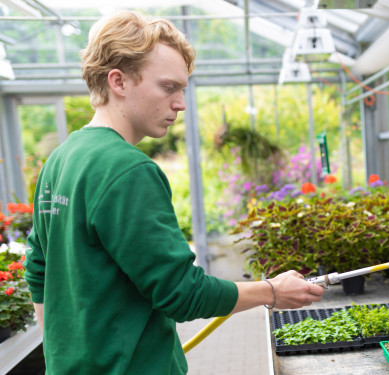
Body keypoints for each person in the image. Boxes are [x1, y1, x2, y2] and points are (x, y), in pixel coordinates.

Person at [23, 11, 324, 374]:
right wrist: (272, 292)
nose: (180, 103)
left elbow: (38, 268)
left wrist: (66, 349)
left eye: (183, 89)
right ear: (118, 81)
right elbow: (182, 292)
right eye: (168, 87)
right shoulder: (127, 169)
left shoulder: (60, 159)